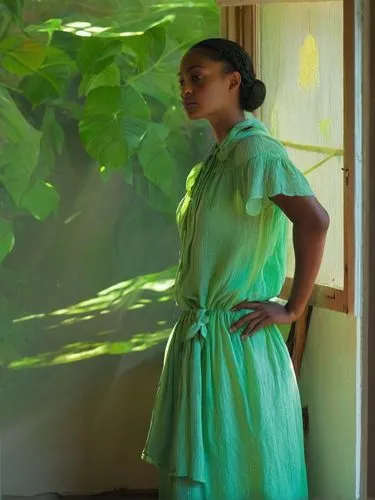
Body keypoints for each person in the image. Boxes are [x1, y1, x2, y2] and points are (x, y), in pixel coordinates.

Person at [142, 38, 329, 500]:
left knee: (244, 474)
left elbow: (315, 221)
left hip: (238, 345)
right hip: (206, 342)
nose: (186, 88)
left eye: (197, 77)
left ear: (233, 80)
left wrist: (293, 307)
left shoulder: (254, 153)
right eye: (182, 80)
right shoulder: (218, 160)